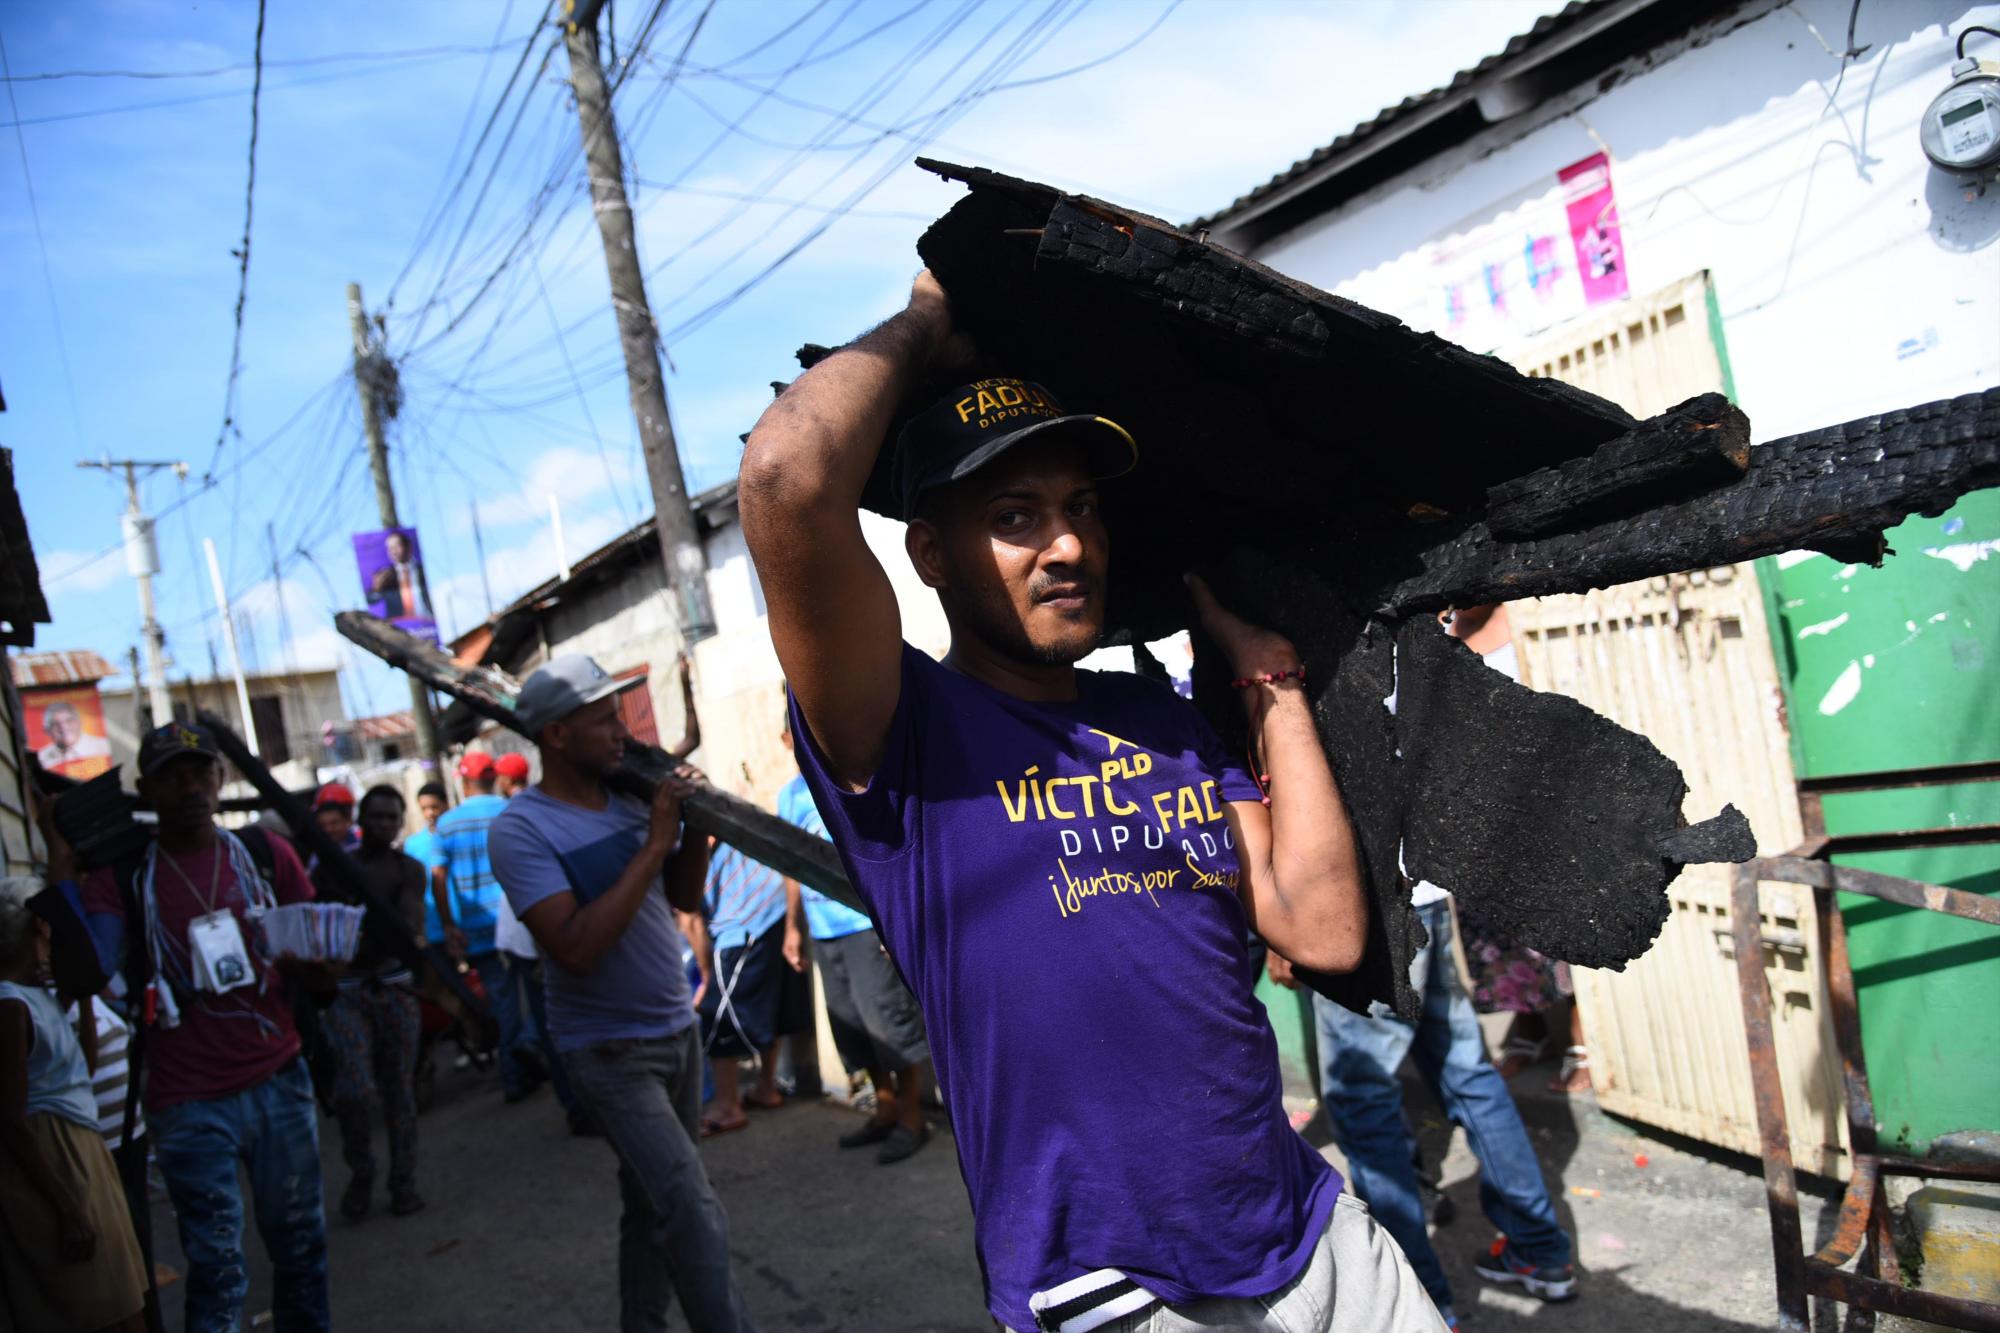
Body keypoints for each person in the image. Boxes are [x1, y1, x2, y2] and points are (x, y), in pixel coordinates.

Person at [737, 273, 1441, 1332]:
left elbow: (1324, 926)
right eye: (1014, 517)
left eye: (1078, 509)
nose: (1065, 545)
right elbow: (787, 477)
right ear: (930, 555)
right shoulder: (900, 734)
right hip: (1113, 1287)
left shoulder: (1155, 719)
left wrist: (1274, 685)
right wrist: (931, 319)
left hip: (1311, 1235)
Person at [486, 657, 756, 1333]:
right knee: (691, 1206)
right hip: (606, 1050)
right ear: (555, 734)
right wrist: (655, 842)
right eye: (602, 718)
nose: (620, 729)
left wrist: (690, 830)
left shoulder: (634, 795)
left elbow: (684, 898)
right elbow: (573, 946)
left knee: (650, 1203)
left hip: (675, 1029)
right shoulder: (522, 828)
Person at [70, 722, 331, 1333]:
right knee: (217, 1267)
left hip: (279, 1081)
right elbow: (89, 970)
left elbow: (321, 961)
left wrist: (317, 965)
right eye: (171, 775)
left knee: (302, 1250)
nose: (189, 787)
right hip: (188, 1101)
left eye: (200, 772)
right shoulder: (125, 877)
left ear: (220, 779)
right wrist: (64, 865)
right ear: (147, 789)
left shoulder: (266, 855)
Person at [776, 711, 931, 1164]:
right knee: (851, 1026)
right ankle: (883, 1109)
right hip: (824, 933)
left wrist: (891, 918)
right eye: (793, 731)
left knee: (887, 1022)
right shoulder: (789, 796)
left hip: (863, 926)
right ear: (787, 739)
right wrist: (793, 927)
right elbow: (790, 862)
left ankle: (911, 1118)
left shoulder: (849, 780)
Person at [0, 876, 149, 1333]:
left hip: (81, 1150)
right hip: (52, 1158)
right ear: (41, 929)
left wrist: (78, 990)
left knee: (123, 1304)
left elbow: (80, 1066)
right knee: (91, 1308)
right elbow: (8, 1116)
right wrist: (67, 1208)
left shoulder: (39, 995)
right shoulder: (9, 1006)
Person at [318, 785, 427, 1221]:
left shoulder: (410, 869)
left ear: (400, 823)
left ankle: (403, 1181)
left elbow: (408, 927)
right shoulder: (334, 868)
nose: (382, 824)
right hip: (349, 991)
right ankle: (361, 1170)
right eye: (375, 816)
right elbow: (325, 927)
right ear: (360, 820)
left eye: (390, 817)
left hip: (394, 988)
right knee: (355, 1090)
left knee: (400, 1090)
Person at [691, 794, 809, 1139]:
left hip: (741, 930)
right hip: (771, 919)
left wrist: (706, 976)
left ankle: (727, 1105)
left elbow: (691, 921)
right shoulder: (732, 821)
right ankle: (765, 1088)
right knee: (767, 1008)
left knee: (717, 1018)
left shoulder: (689, 836)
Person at [490, 752, 593, 1136]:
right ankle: (576, 1104)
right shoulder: (528, 814)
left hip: (526, 937)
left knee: (546, 1019)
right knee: (553, 1022)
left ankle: (571, 1096)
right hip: (531, 937)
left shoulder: (527, 811)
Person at [434, 751, 545, 1103]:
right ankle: (532, 1046)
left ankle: (514, 1078)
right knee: (539, 995)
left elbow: (438, 877)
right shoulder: (509, 808)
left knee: (502, 1002)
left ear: (463, 782)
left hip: (478, 929)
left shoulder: (447, 823)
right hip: (521, 920)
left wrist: (450, 924)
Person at [37, 700, 113, 773]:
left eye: (69, 720)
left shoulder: (101, 747)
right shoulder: (42, 757)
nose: (63, 727)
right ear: (47, 730)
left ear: (79, 722)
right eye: (55, 723)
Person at [369, 531, 430, 621]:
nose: (393, 552)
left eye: (397, 546)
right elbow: (371, 600)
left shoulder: (423, 570)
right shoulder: (385, 575)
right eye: (390, 548)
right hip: (399, 626)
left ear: (408, 547)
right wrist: (376, 588)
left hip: (427, 621)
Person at [312, 782, 360, 854]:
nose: (328, 829)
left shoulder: (359, 845)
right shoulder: (317, 852)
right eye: (322, 824)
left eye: (334, 823)